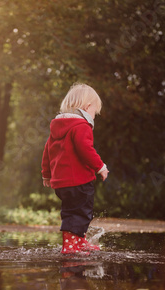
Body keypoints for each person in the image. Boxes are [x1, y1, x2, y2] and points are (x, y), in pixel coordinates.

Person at [41, 83, 109, 255]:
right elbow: (85, 149)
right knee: (80, 213)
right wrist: (100, 166)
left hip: (62, 183)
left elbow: (47, 152)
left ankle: (78, 242)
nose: (94, 116)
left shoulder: (57, 127)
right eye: (95, 112)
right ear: (87, 107)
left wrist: (47, 175)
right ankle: (71, 247)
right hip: (79, 181)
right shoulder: (81, 126)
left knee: (73, 211)